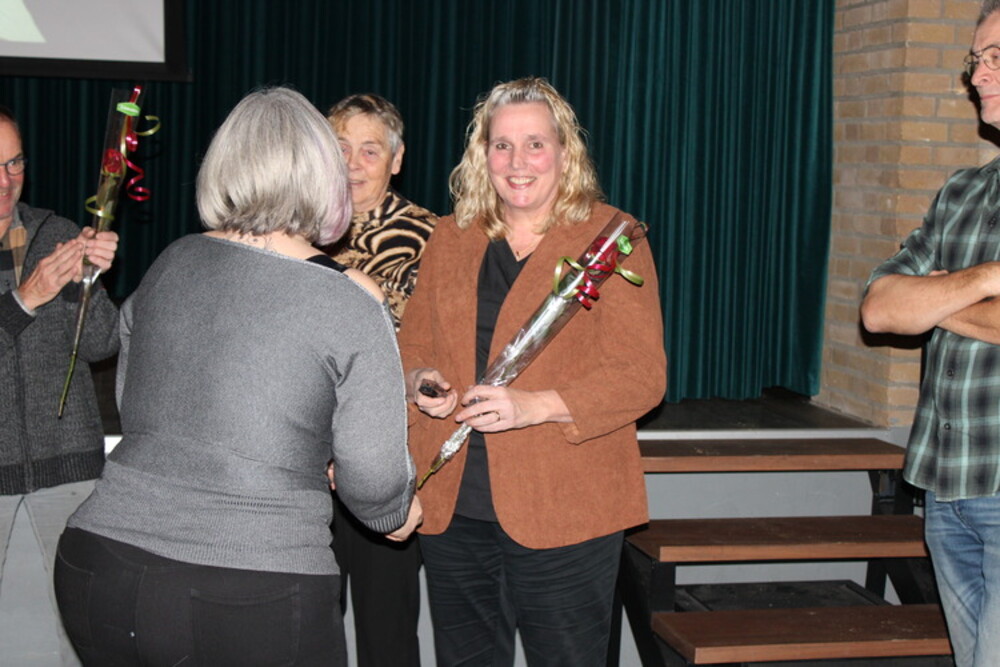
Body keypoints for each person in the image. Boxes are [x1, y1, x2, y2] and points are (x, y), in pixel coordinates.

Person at [53, 87, 421, 666]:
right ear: (321, 173)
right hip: (253, 585)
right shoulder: (349, 298)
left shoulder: (172, 260)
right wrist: (395, 512)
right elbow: (374, 481)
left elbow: (135, 404)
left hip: (99, 559)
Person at [398, 77, 666, 666]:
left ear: (565, 153)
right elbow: (412, 345)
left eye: (535, 144)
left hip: (566, 506)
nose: (517, 162)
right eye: (502, 145)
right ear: (483, 155)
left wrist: (535, 405)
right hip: (455, 509)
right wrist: (421, 382)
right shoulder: (450, 236)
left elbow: (642, 375)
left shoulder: (611, 239)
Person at [861, 3, 1000, 664]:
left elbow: (912, 307)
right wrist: (987, 279)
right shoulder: (962, 192)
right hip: (947, 486)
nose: (978, 75)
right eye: (976, 59)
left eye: (996, 57)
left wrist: (936, 299)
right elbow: (879, 308)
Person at [0, 105, 119, 665]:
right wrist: (25, 299)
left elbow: (101, 344)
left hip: (69, 474)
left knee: (82, 636)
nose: (6, 181)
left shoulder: (57, 233)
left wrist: (84, 283)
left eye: (15, 163)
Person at [321, 93, 436, 667]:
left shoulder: (433, 238)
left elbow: (423, 349)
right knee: (302, 633)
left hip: (385, 456)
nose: (353, 163)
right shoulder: (294, 227)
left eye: (370, 150)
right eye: (340, 147)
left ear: (397, 159)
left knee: (386, 636)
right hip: (303, 459)